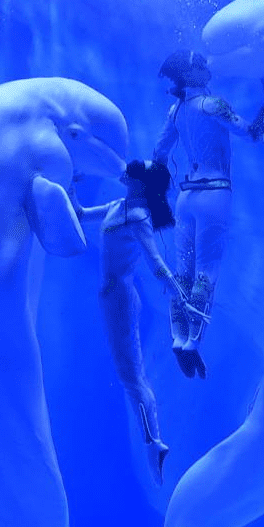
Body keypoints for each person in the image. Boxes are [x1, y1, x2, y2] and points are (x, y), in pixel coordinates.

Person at [73, 160, 208, 484]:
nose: (126, 168)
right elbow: (79, 214)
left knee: (131, 375)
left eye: (134, 169)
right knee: (126, 374)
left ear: (139, 182)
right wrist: (71, 181)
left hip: (120, 296)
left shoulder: (138, 217)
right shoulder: (116, 206)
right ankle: (153, 441)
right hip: (109, 296)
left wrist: (180, 295)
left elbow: (155, 262)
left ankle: (153, 442)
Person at [153, 49, 264, 378]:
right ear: (189, 73)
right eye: (198, 63)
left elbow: (159, 153)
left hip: (186, 196)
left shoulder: (176, 111)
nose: (205, 65)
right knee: (207, 271)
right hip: (215, 194)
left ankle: (177, 338)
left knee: (182, 272)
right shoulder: (213, 105)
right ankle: (193, 341)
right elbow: (253, 133)